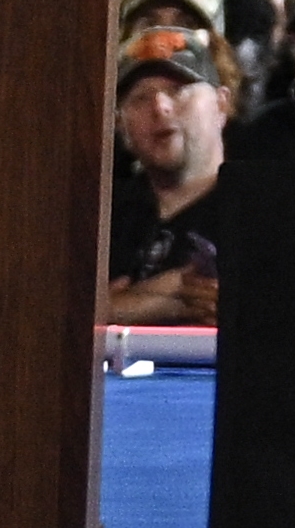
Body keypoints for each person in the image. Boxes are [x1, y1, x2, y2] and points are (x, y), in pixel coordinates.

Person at [96, 39, 230, 326]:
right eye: (140, 97)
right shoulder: (100, 212)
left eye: (177, 90)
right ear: (121, 124)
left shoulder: (262, 206)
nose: (160, 107)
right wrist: (170, 297)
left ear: (221, 104)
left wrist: (114, 304)